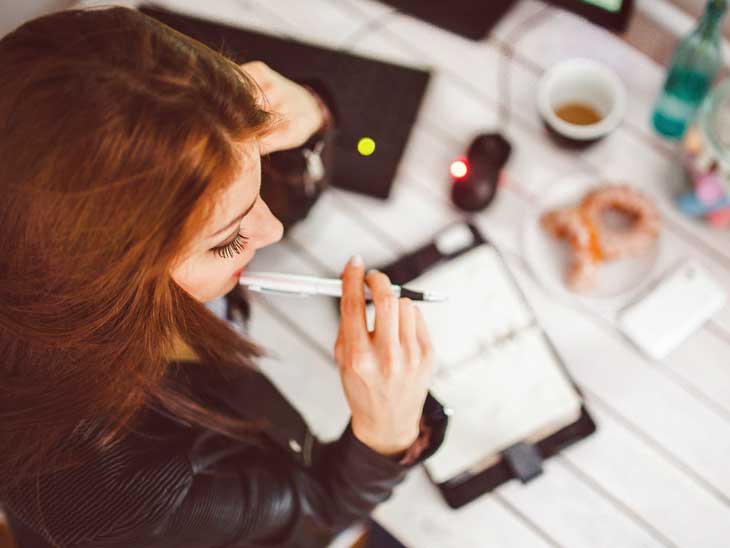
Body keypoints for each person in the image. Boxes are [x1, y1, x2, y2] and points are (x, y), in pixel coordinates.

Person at [0, 6, 448, 548]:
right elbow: (316, 519)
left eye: (255, 178)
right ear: (110, 280)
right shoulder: (114, 489)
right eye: (230, 240)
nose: (274, 230)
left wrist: (310, 119)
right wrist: (386, 436)